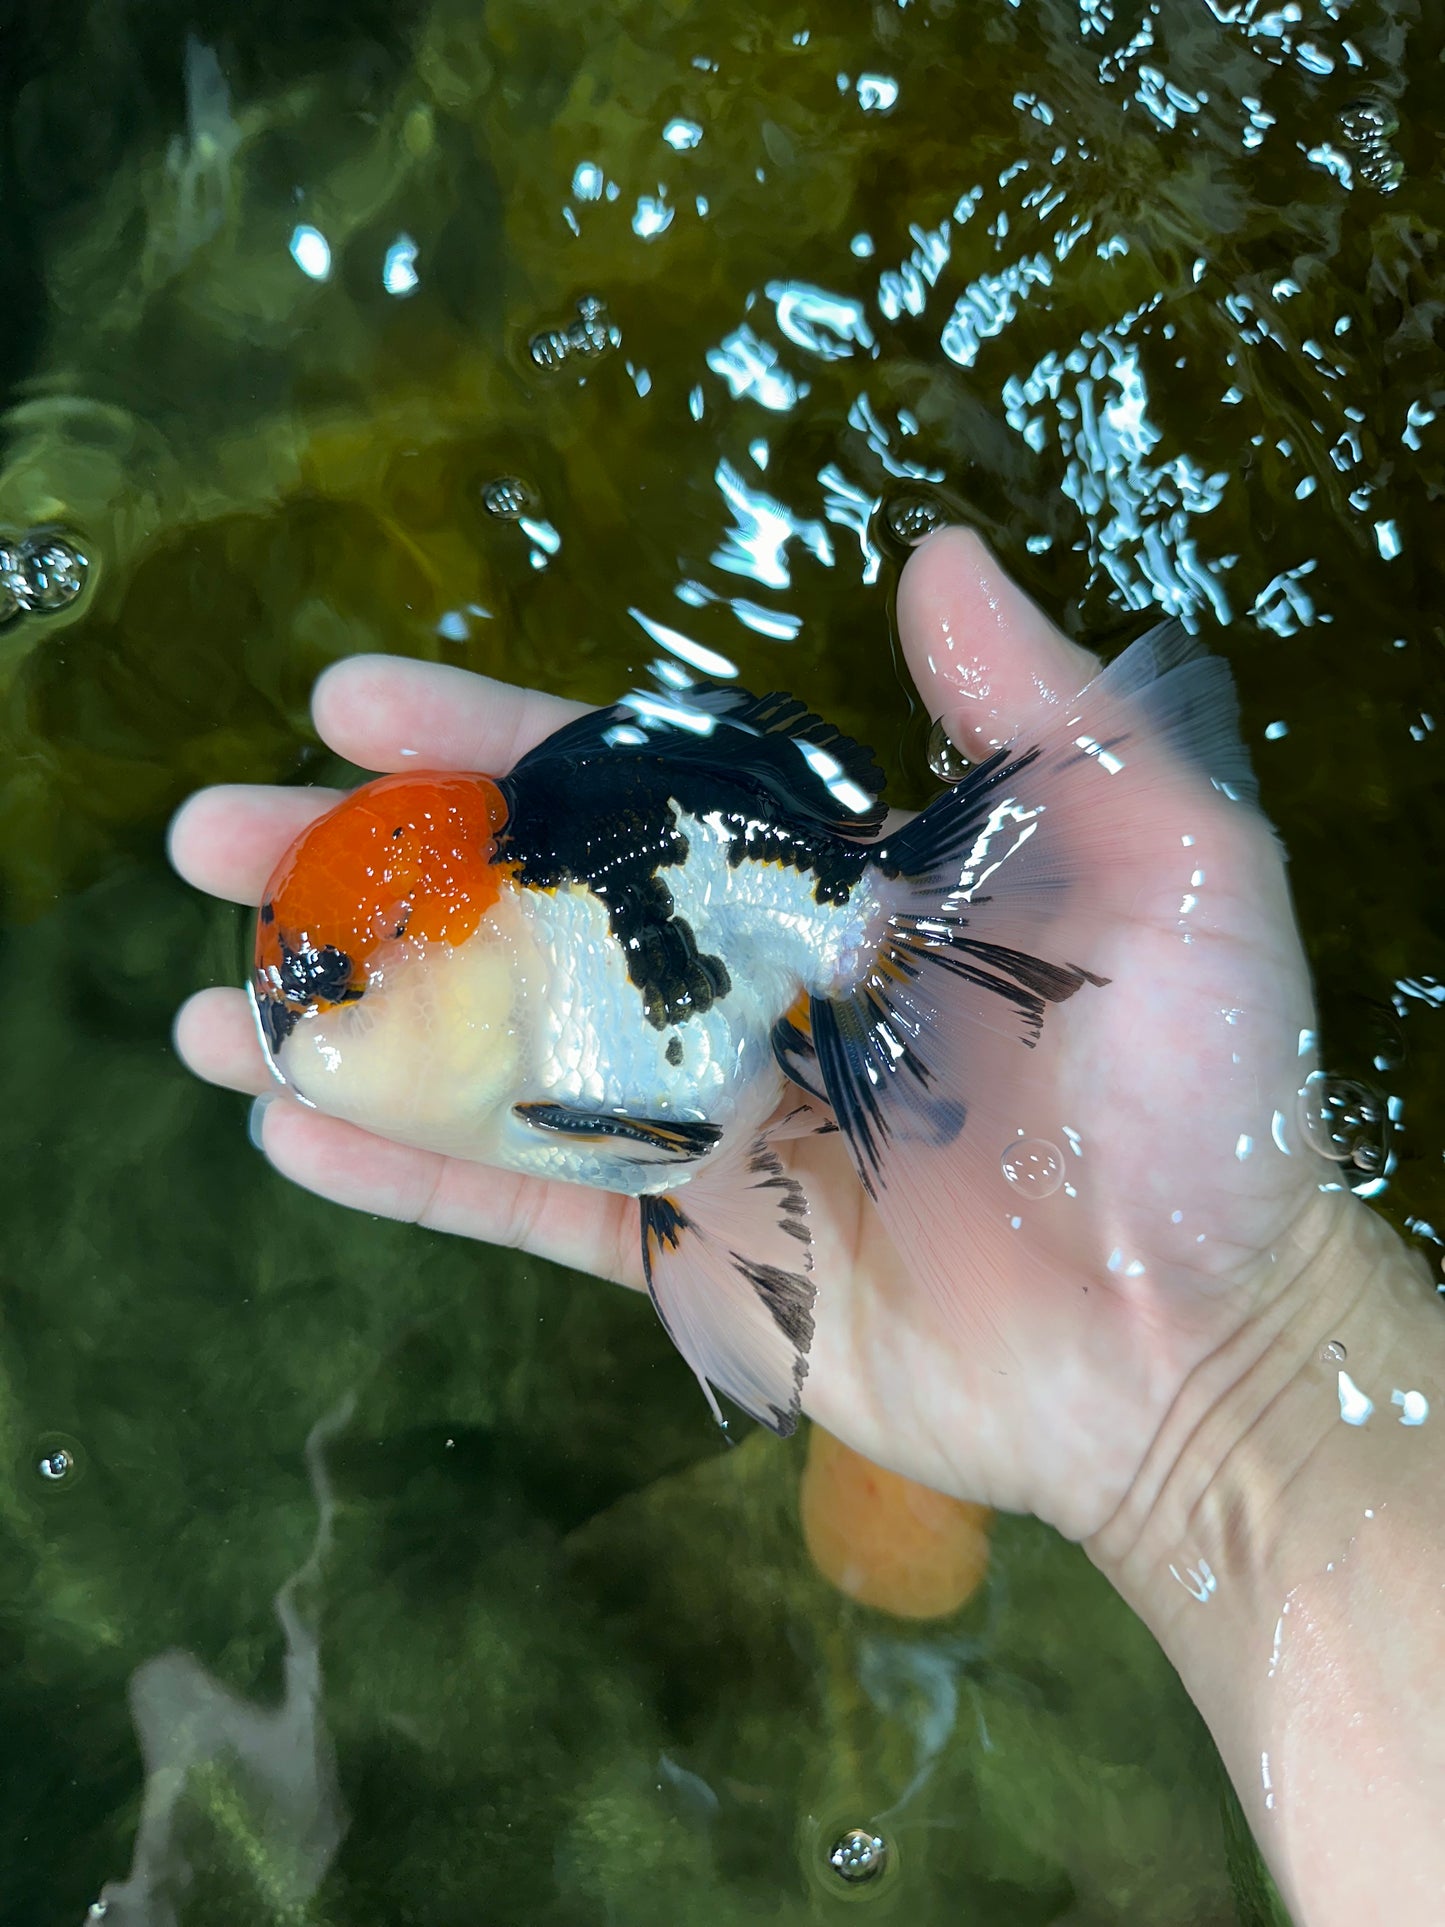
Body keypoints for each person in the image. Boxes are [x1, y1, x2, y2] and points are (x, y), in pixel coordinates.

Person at [169, 527, 1444, 1924]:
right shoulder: (482, 999)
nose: (313, 1015)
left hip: (768, 972)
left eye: (344, 983)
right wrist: (1238, 1381)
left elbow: (656, 1141)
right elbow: (662, 1159)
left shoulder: (536, 937)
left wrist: (1236, 1344)